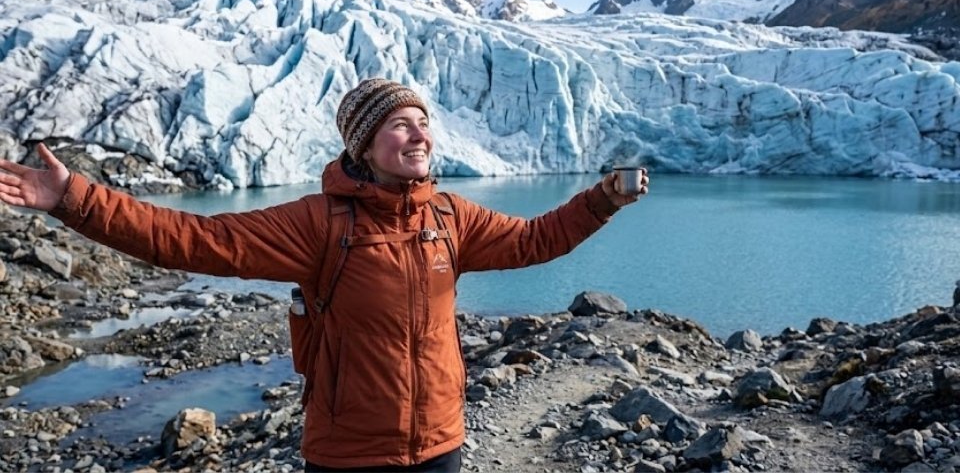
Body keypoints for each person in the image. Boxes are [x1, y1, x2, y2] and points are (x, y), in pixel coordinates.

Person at [0, 78, 649, 472]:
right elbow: (192, 240)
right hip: (349, 454)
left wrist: (602, 201)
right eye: (400, 124)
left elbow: (536, 240)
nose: (419, 134)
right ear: (364, 145)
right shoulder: (320, 223)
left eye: (423, 122)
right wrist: (75, 200)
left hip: (441, 443)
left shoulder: (450, 217)